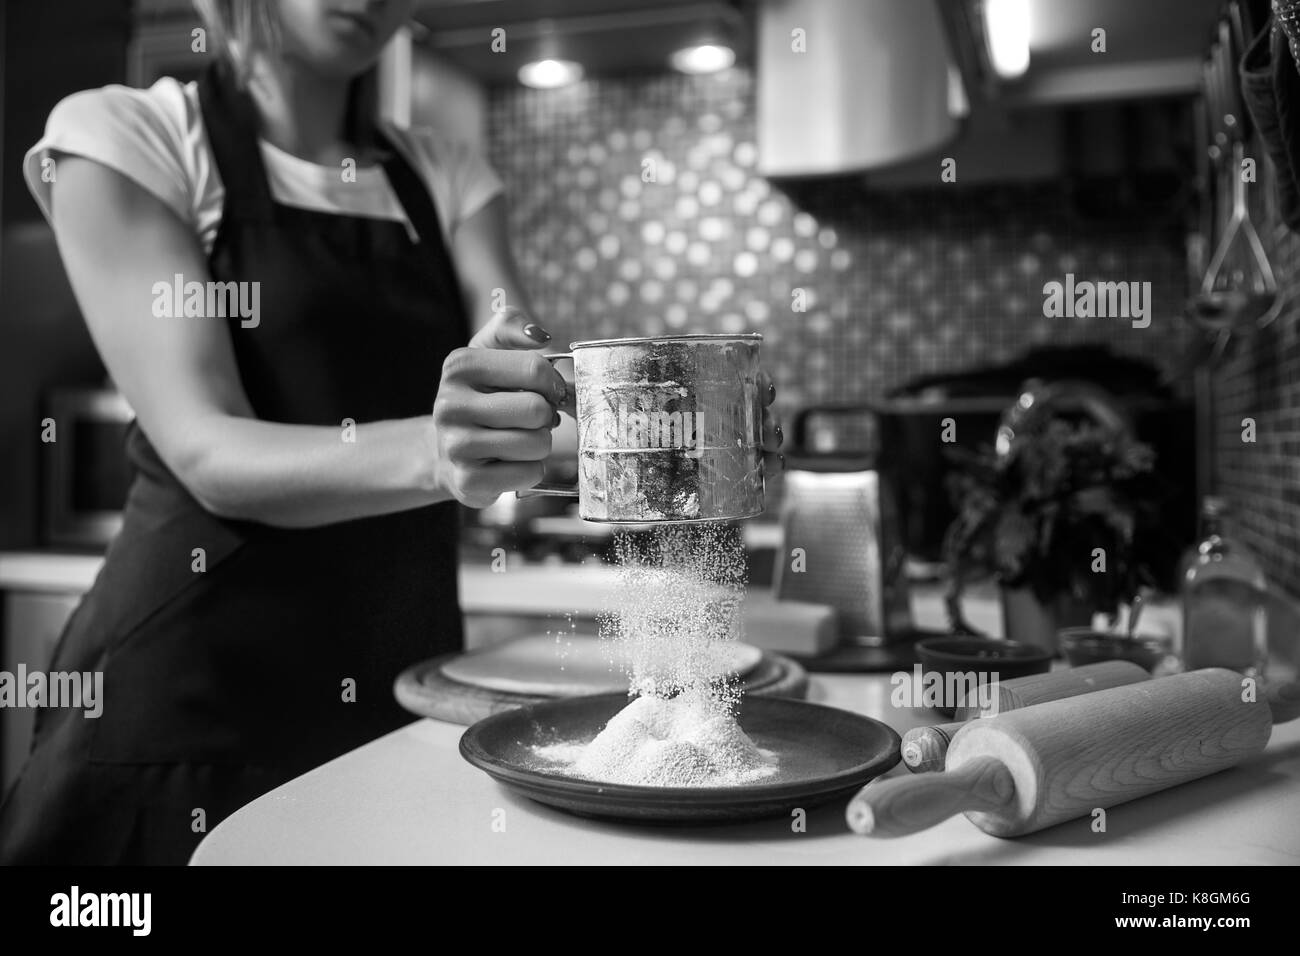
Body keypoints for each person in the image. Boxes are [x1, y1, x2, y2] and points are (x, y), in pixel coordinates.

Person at [0, 0, 780, 865]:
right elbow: (207, 451)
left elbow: (531, 398)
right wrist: (435, 453)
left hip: (395, 684)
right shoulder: (127, 135)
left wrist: (692, 442)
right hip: (189, 697)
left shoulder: (445, 175)